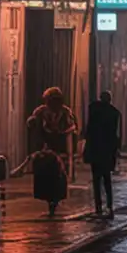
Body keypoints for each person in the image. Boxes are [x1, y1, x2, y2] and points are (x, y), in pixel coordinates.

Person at [27, 86, 78, 215]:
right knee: (45, 176)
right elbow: (31, 123)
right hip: (45, 148)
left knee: (58, 176)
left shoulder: (66, 112)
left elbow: (72, 126)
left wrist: (64, 133)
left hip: (60, 148)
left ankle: (54, 201)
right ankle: (49, 200)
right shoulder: (40, 112)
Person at [82, 90, 122, 217]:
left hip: (95, 149)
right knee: (107, 179)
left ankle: (98, 207)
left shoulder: (93, 109)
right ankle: (109, 205)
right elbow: (115, 134)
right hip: (107, 151)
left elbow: (89, 130)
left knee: (96, 180)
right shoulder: (114, 113)